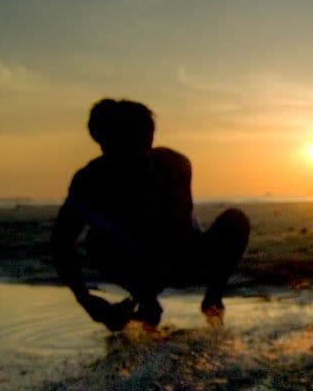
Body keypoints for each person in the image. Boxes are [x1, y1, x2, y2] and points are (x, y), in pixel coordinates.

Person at [51, 99, 250, 329]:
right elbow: (60, 243)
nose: (127, 162)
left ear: (149, 140)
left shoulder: (172, 165)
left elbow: (176, 235)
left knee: (235, 221)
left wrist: (143, 299)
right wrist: (87, 301)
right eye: (116, 150)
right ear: (101, 142)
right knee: (95, 242)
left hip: (189, 256)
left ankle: (213, 298)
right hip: (134, 264)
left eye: (135, 148)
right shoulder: (87, 182)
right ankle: (147, 304)